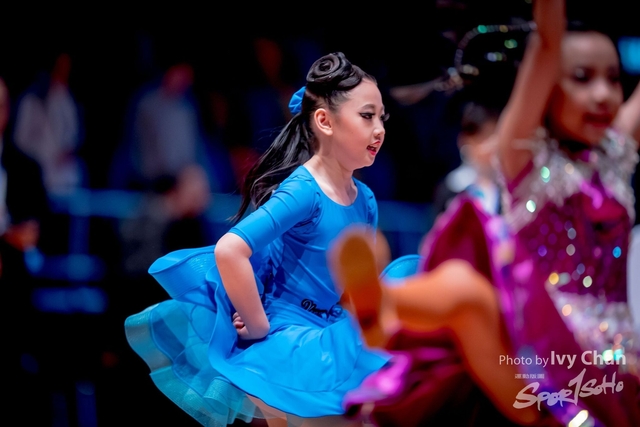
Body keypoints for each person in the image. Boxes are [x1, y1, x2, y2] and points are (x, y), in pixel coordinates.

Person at [329, 0, 640, 426]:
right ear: (544, 87)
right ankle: (379, 303)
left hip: (610, 376)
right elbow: (548, 42)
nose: (602, 94)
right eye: (582, 78)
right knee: (465, 289)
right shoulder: (523, 157)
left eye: (614, 79)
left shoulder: (615, 157)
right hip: (532, 361)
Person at [124, 52, 391, 427]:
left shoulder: (366, 200)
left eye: (382, 118)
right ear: (324, 121)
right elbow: (230, 248)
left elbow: (351, 287)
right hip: (289, 340)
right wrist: (257, 323)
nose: (379, 129)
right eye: (367, 116)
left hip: (328, 336)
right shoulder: (304, 190)